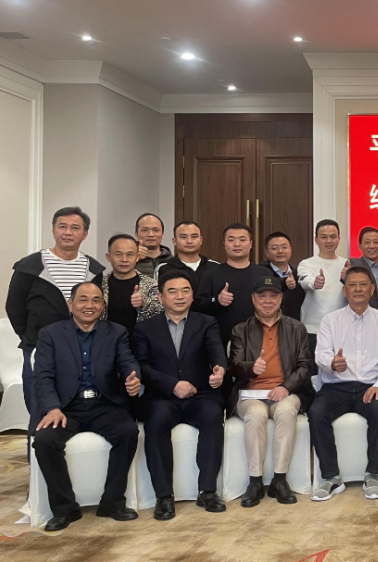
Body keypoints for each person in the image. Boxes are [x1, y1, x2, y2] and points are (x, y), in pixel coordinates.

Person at [31, 281, 142, 531]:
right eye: (83, 299)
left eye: (96, 300)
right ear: (71, 304)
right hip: (65, 407)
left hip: (104, 402)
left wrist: (133, 377)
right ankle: (64, 509)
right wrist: (52, 407)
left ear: (102, 305)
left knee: (127, 432)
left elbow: (127, 361)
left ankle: (112, 503)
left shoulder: (116, 332)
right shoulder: (50, 334)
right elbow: (43, 376)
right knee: (45, 441)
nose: (89, 305)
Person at [133, 270, 228, 520]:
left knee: (212, 415)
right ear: (160, 297)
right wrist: (172, 385)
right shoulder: (145, 328)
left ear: (192, 295)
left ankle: (208, 490)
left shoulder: (206, 322)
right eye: (172, 291)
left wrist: (220, 370)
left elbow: (217, 353)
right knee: (157, 420)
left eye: (185, 291)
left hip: (200, 394)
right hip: (162, 396)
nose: (179, 296)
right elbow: (142, 366)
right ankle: (164, 496)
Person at [310, 267, 378, 502]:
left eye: (363, 285)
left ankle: (372, 474)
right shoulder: (330, 321)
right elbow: (320, 355)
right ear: (345, 291)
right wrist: (332, 363)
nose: (358, 289)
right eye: (352, 285)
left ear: (372, 289)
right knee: (316, 412)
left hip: (369, 386)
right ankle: (331, 477)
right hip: (335, 386)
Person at [6, 207, 104, 417]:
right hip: (39, 347)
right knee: (40, 408)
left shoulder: (94, 270)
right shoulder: (29, 266)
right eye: (62, 226)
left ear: (84, 234)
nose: (68, 232)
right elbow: (14, 308)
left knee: (77, 410)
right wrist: (31, 335)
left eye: (75, 228)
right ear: (53, 230)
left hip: (83, 348)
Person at [228, 276, 316, 507]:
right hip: (250, 394)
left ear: (281, 298)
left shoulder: (296, 328)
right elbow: (233, 365)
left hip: (285, 391)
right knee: (256, 413)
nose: (268, 301)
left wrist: (286, 387)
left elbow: (306, 365)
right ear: (253, 299)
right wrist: (251, 368)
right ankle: (255, 482)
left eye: (273, 296)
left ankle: (279, 480)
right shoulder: (240, 330)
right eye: (262, 296)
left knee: (286, 411)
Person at [194, 223, 270, 349]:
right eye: (231, 240)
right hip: (220, 343)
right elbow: (198, 307)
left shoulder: (264, 274)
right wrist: (217, 301)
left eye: (242, 240)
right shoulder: (211, 274)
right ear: (224, 244)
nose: (237, 244)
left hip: (260, 341)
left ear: (251, 244)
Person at [298, 219, 349, 355]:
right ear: (316, 240)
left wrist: (348, 279)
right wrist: (315, 283)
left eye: (333, 237)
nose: (329, 241)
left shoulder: (348, 264)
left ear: (339, 239)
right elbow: (305, 281)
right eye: (324, 237)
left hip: (342, 329)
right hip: (313, 329)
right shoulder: (306, 264)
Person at [100, 234, 162, 339]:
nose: (124, 259)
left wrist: (144, 304)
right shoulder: (99, 286)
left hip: (141, 344)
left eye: (130, 254)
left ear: (137, 257)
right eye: (118, 254)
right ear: (108, 257)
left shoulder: (152, 286)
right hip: (107, 343)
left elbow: (161, 317)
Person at [154, 221, 218, 289]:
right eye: (183, 237)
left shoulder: (215, 267)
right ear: (174, 241)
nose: (189, 241)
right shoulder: (163, 268)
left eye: (194, 237)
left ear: (201, 240)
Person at [348, 226, 378, 316]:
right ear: (360, 246)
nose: (372, 246)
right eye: (367, 242)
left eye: (376, 242)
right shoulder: (354, 265)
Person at [261, 231, 305, 320]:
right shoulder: (260, 272)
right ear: (267, 252)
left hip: (294, 325)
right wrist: (284, 283)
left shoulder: (299, 273)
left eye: (284, 247)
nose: (280, 251)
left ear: (290, 250)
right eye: (274, 248)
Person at [135, 213, 172, 277]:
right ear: (136, 234)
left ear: (162, 234)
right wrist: (133, 260)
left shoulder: (172, 261)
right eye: (145, 230)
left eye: (156, 230)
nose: (151, 234)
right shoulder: (127, 260)